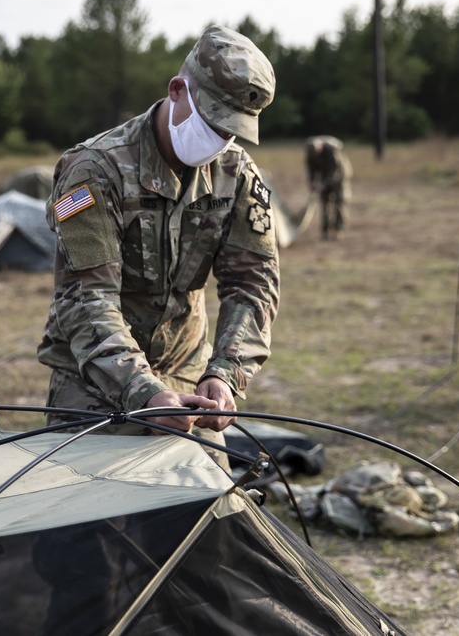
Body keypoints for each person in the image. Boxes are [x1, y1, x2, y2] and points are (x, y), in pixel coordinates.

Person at [37, 25, 279, 467]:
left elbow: (253, 284)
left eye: (230, 131)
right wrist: (143, 391)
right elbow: (87, 299)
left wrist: (225, 375)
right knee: (92, 528)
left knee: (203, 521)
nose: (218, 140)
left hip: (188, 379)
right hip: (96, 384)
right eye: (210, 122)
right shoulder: (95, 171)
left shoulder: (237, 174)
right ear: (177, 90)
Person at [305, 135, 352, 240]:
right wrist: (312, 183)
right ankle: (325, 231)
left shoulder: (332, 150)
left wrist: (324, 184)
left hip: (340, 177)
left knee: (340, 203)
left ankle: (339, 230)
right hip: (325, 176)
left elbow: (335, 170)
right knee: (324, 204)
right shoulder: (310, 152)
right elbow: (311, 169)